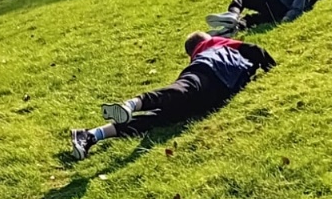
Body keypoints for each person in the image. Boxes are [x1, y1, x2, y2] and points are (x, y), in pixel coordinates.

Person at [71, 31, 276, 159]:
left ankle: (91, 135)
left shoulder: (201, 54)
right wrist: (272, 68)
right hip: (209, 73)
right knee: (177, 93)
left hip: (211, 93)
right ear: (204, 41)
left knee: (159, 117)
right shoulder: (214, 43)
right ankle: (131, 104)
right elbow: (255, 49)